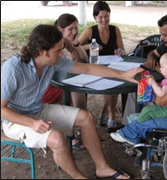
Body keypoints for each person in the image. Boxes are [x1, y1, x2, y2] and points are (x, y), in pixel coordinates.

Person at [1, 24, 143, 179]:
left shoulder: (52, 61)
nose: (62, 54)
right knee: (56, 139)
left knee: (86, 117)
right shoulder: (14, 68)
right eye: (58, 50)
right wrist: (32, 123)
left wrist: (122, 74)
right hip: (14, 121)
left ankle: (102, 168)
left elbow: (87, 69)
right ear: (42, 52)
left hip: (36, 110)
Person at [42, 13, 88, 150]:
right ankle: (75, 131)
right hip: (48, 87)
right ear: (60, 29)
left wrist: (76, 44)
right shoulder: (54, 45)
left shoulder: (66, 42)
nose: (75, 32)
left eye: (76, 28)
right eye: (71, 29)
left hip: (60, 82)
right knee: (74, 90)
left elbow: (84, 59)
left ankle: (80, 127)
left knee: (76, 88)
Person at [78, 1, 126, 128]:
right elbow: (75, 47)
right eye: (101, 17)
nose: (104, 20)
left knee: (116, 84)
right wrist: (90, 46)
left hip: (113, 65)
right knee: (111, 86)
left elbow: (122, 50)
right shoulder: (90, 31)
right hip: (94, 66)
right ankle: (106, 112)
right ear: (95, 18)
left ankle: (109, 114)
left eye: (107, 16)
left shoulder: (115, 30)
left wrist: (120, 51)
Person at [133, 51, 167, 123]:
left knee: (146, 110)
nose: (160, 69)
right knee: (148, 109)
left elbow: (161, 94)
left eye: (162, 67)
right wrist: (158, 85)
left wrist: (153, 83)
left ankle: (136, 124)